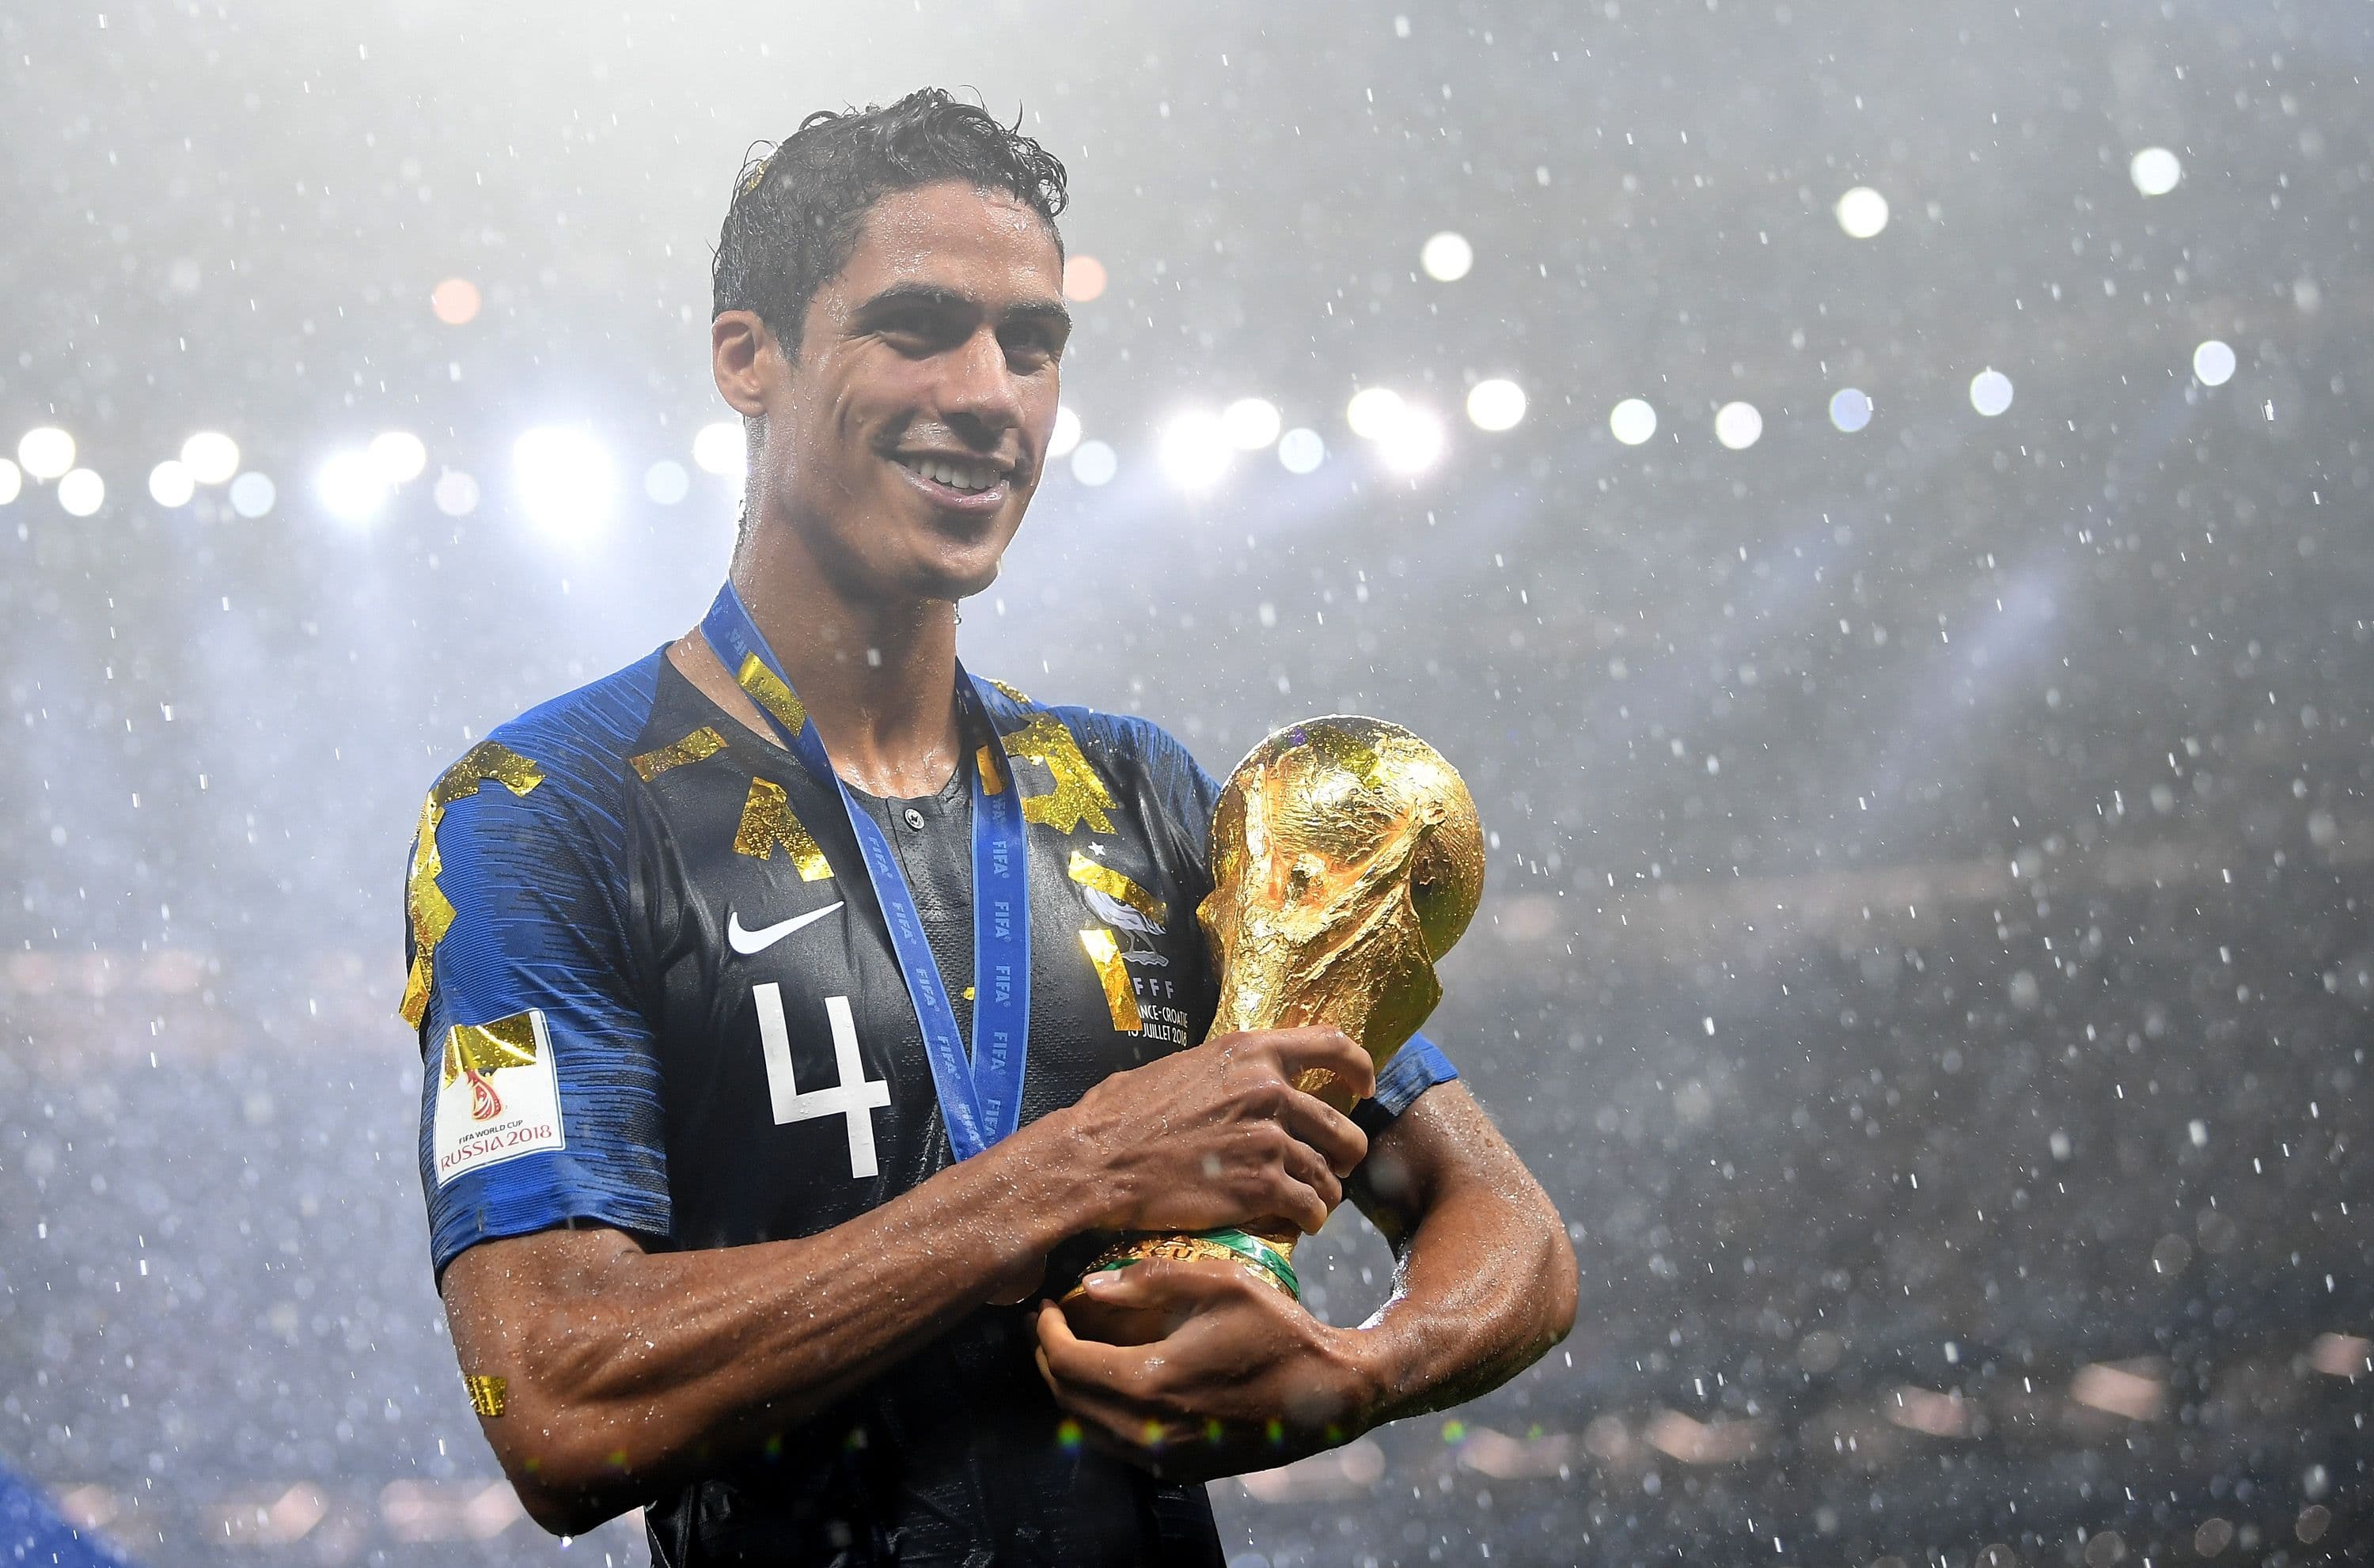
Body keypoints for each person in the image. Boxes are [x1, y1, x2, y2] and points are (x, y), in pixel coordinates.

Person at [403, 89, 1576, 1566]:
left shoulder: (1140, 792)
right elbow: (557, 1398)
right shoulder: (537, 812)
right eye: (917, 327)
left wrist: (1357, 1372)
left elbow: (1515, 1233)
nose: (989, 393)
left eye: (1031, 344)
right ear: (747, 357)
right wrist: (1076, 1171)